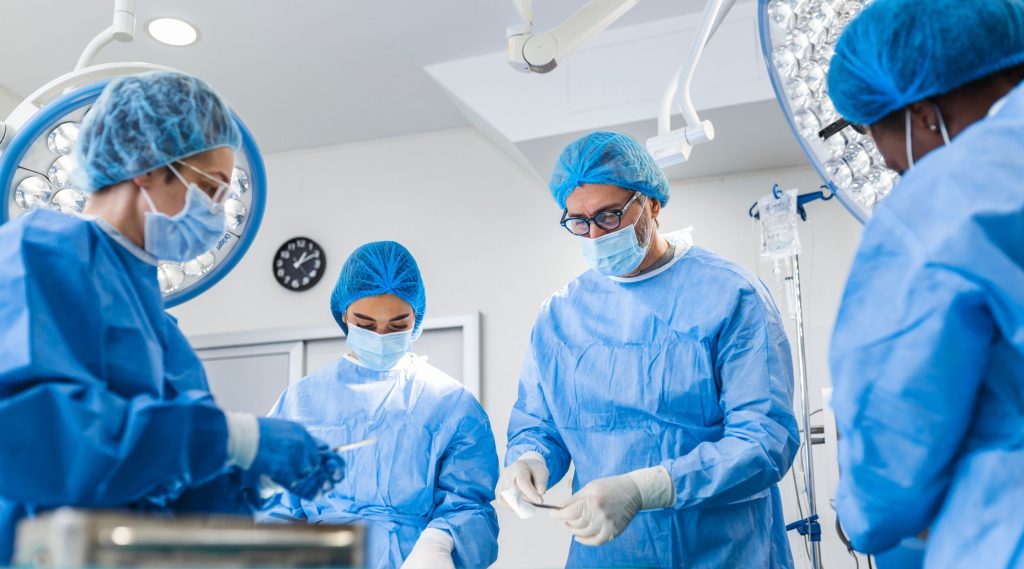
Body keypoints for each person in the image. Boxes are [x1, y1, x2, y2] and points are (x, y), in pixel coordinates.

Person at [0, 71, 343, 563]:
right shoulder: (39, 252)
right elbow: (36, 439)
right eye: (210, 188)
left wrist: (249, 476)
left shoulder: (164, 332)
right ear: (146, 166)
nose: (217, 213)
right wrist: (233, 437)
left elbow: (180, 505)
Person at [498, 131, 799, 568]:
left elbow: (764, 439)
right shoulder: (560, 316)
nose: (595, 234)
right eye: (578, 222)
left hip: (723, 553)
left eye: (609, 216)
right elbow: (541, 423)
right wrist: (530, 459)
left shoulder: (730, 295)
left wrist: (647, 489)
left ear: (652, 205)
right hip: (608, 555)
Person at [826, 0, 1024, 566]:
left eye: (897, 165)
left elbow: (893, 437)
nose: (902, 173)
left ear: (923, 116)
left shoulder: (946, 198)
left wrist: (860, 518)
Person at [259, 241, 499, 569]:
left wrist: (441, 543)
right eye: (366, 325)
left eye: (398, 326)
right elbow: (273, 506)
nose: (381, 336)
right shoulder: (301, 402)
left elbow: (470, 507)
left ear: (417, 317)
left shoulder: (451, 404)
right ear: (343, 314)